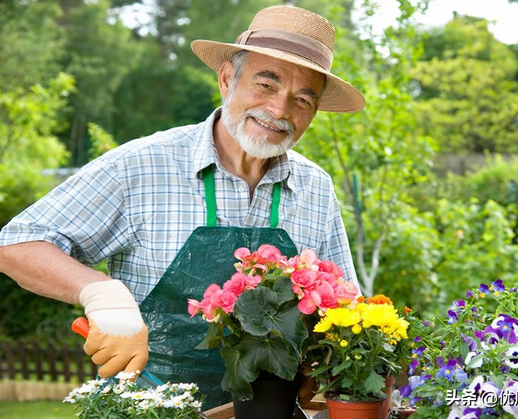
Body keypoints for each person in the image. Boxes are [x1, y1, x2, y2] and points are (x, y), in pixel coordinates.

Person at [0, 4, 364, 410]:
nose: (279, 110)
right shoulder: (140, 165)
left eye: (302, 99)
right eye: (266, 84)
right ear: (227, 79)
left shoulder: (315, 187)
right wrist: (101, 293)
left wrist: (327, 360)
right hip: (147, 408)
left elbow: (346, 305)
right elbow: (17, 243)